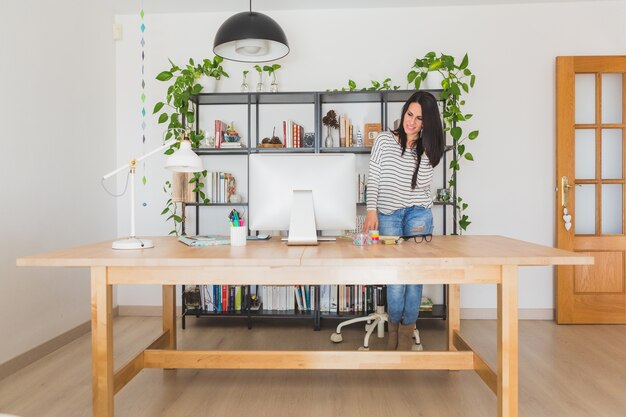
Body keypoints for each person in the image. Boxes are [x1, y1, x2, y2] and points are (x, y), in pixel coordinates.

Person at [363, 91, 445, 350]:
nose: (411, 122)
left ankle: (408, 332)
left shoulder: (428, 147)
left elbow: (421, 185)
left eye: (419, 118)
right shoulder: (384, 141)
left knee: (415, 275)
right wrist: (371, 210)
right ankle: (393, 329)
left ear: (427, 123)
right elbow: (373, 177)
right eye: (410, 114)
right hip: (387, 213)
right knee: (395, 277)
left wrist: (420, 145)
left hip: (418, 212)